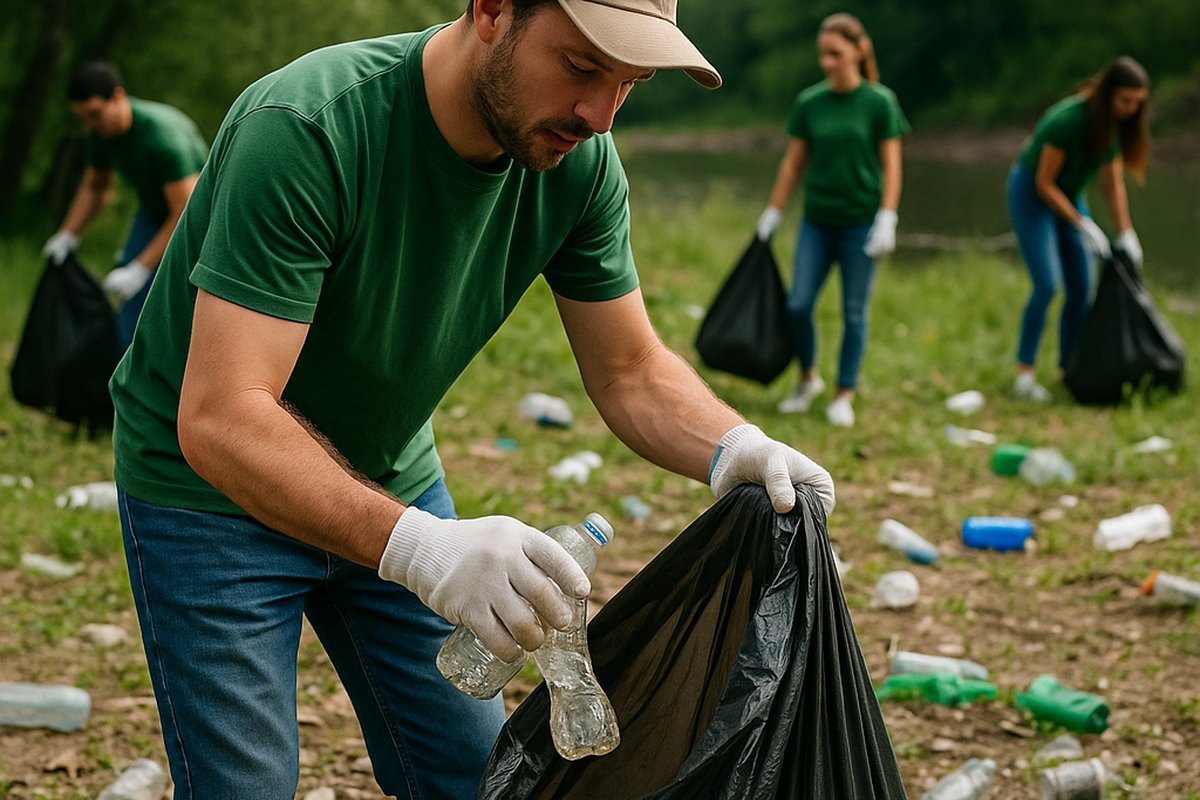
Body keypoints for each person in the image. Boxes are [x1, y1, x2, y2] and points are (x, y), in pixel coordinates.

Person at [108, 1, 836, 797]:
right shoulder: (308, 127)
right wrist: (423, 549)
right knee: (246, 786)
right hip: (208, 495)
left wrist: (737, 447)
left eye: (628, 85)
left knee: (471, 776)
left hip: (387, 474)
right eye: (582, 67)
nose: (599, 115)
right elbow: (221, 417)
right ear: (491, 8)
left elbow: (630, 370)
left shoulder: (581, 164)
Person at [755, 13, 908, 428]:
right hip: (817, 223)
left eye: (835, 54)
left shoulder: (880, 103)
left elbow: (892, 166)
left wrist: (887, 216)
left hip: (861, 225)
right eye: (823, 54)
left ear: (859, 51)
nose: (827, 62)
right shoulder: (810, 103)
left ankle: (845, 393)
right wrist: (774, 210)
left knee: (854, 311)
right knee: (798, 305)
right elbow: (793, 164)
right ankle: (808, 379)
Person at [1008, 56, 1150, 401]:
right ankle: (1024, 374)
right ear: (1108, 94)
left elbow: (1111, 184)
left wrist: (1124, 232)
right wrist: (1081, 222)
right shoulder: (1067, 120)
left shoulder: (1115, 126)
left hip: (1069, 196)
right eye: (1125, 101)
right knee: (1046, 284)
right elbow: (1044, 183)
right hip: (1032, 194)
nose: (1131, 109)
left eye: (1137, 103)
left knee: (1081, 286)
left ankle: (1069, 368)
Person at [41, 61, 208, 351]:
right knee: (130, 304)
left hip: (200, 219)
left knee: (170, 299)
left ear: (117, 97)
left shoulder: (162, 138)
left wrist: (140, 269)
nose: (91, 125)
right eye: (84, 119)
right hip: (155, 212)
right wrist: (67, 235)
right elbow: (95, 188)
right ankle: (126, 378)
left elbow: (186, 211)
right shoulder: (100, 135)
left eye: (95, 115)